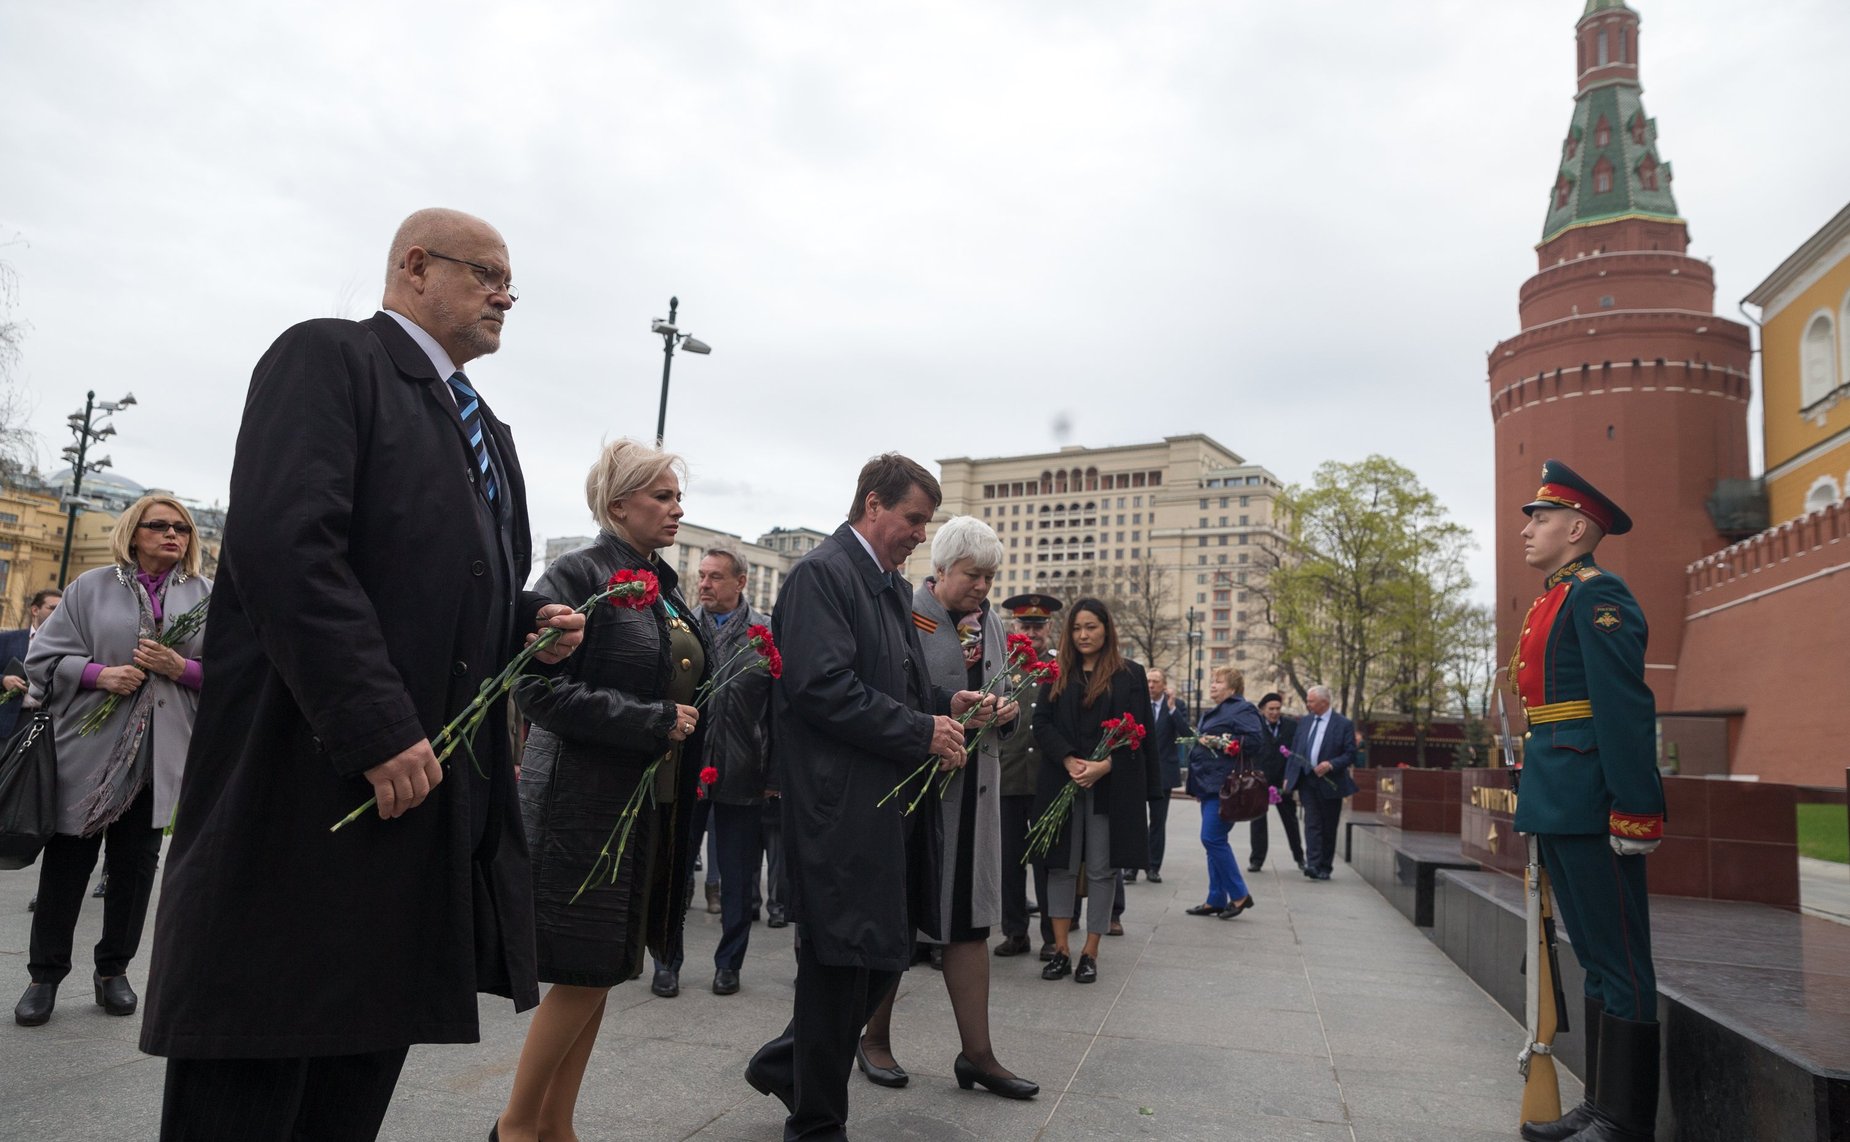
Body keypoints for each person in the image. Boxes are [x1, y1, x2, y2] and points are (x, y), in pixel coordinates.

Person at [140, 208, 585, 1142]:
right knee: (260, 1068)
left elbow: (444, 588)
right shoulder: (329, 360)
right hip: (310, 794)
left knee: (348, 1086)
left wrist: (525, 623)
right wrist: (377, 724)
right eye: (487, 273)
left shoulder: (487, 431)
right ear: (416, 267)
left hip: (412, 820)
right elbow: (286, 549)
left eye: (512, 281)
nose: (506, 294)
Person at [744, 454, 998, 1142]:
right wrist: (922, 728)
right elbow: (822, 688)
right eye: (914, 519)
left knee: (881, 953)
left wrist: (948, 704)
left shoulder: (885, 584)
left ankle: (784, 1064)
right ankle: (817, 1123)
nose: (921, 534)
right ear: (872, 504)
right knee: (841, 964)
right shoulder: (822, 576)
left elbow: (898, 686)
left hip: (885, 804)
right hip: (839, 807)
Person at [497, 439, 708, 1142]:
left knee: (607, 968)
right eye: (662, 497)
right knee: (585, 967)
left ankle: (557, 1126)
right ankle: (517, 1128)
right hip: (581, 804)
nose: (677, 509)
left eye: (677, 496)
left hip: (644, 802)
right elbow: (536, 688)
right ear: (619, 505)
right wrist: (653, 720)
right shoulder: (576, 573)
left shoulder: (663, 584)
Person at [856, 517, 1036, 1100]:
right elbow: (889, 700)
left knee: (968, 924)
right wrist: (950, 716)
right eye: (973, 575)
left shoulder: (995, 624)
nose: (982, 587)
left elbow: (1006, 694)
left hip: (976, 797)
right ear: (941, 569)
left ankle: (978, 1056)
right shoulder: (905, 614)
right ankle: (874, 1039)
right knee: (899, 921)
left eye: (989, 576)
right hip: (917, 795)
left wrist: (1003, 713)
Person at [12, 497, 209, 1028]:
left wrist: (180, 667)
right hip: (88, 755)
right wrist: (101, 674)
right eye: (160, 526)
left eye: (182, 528)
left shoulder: (207, 596)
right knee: (68, 863)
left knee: (136, 868)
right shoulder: (90, 587)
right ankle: (44, 977)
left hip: (161, 754)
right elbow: (42, 661)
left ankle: (112, 972)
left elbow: (236, 672)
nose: (174, 535)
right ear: (133, 531)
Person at [1512, 460, 1663, 1142]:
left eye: (1540, 517)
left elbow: (1624, 708)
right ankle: (1600, 1107)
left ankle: (1623, 1121)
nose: (1529, 529)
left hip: (1594, 797)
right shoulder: (1557, 596)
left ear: (1577, 528)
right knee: (1595, 957)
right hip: (1560, 792)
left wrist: (1636, 809)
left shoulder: (1599, 597)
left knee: (1621, 960)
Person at [1032, 598, 1157, 986]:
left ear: (1106, 629)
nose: (1084, 635)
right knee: (1060, 867)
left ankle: (1090, 951)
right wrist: (1069, 760)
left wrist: (1106, 765)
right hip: (1062, 782)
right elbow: (1041, 722)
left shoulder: (1130, 675)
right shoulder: (1057, 673)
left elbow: (1139, 732)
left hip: (1109, 787)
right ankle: (1060, 950)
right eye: (1077, 628)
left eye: (1091, 627)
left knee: (1103, 869)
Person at [691, 543, 775, 997]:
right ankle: (667, 960)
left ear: (740, 582)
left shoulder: (765, 632)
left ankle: (729, 964)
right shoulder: (681, 627)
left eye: (715, 577)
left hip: (745, 771)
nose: (704, 584)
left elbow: (779, 712)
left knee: (739, 878)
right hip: (686, 771)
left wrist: (774, 777)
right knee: (675, 872)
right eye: (702, 575)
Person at [994, 593, 1059, 960]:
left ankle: (1052, 935)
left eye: (1038, 626)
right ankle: (1015, 931)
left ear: (1049, 628)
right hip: (1009, 776)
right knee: (1009, 863)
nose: (1031, 633)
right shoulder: (1002, 667)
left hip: (1046, 779)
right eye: (1024, 626)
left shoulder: (1058, 667)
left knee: (1047, 862)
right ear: (1014, 628)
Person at [1181, 667, 1265, 919]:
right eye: (1213, 681)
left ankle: (1239, 895)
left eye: (1218, 682)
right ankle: (1215, 899)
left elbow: (1255, 741)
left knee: (1212, 839)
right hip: (1209, 785)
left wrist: (1221, 741)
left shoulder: (1243, 708)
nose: (1213, 685)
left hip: (1226, 786)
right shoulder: (1215, 710)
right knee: (1214, 842)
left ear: (1232, 688)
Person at [1283, 685, 1358, 880]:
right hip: (1308, 780)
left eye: (1311, 701)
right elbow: (1295, 750)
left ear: (1324, 703)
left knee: (1328, 825)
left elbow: (1350, 754)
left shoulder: (1343, 724)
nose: (1307, 704)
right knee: (1311, 822)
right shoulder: (1305, 722)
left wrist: (1331, 764)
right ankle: (1313, 864)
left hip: (1331, 782)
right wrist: (1288, 778)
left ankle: (1325, 866)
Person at [1132, 667, 1189, 885]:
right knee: (1135, 822)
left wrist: (1173, 708)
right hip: (1137, 772)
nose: (1151, 685)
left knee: (1158, 822)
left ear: (1164, 685)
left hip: (1163, 773)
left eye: (1156, 681)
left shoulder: (1176, 706)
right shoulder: (1135, 703)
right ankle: (1132, 868)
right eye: (1148, 681)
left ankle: (1153, 867)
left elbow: (1186, 734)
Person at [1248, 692, 1303, 872]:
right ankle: (1257, 860)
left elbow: (1296, 754)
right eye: (1271, 709)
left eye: (1278, 709)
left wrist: (1291, 778)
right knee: (1258, 822)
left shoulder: (1291, 727)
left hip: (1283, 782)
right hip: (1260, 781)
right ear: (1262, 710)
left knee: (1291, 821)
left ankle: (1300, 857)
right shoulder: (1254, 727)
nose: (1274, 712)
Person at [0, 588, 61, 741]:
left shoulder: (66, 646)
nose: (57, 613)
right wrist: (3, 680)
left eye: (61, 609)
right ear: (35, 610)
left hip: (47, 725)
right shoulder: (7, 640)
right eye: (53, 608)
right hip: (9, 721)